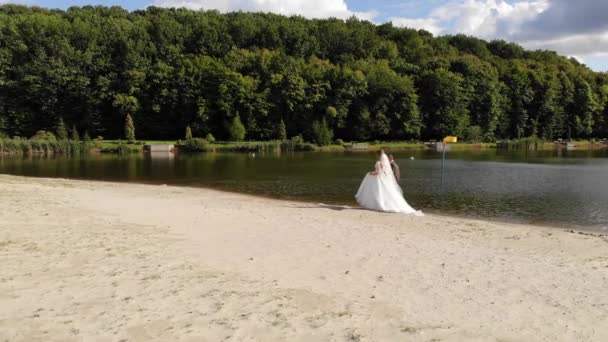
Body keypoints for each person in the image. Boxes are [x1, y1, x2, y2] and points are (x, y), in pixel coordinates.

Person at [355, 150, 423, 215]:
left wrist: (370, 173)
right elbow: (383, 171)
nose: (376, 155)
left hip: (378, 179)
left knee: (379, 193)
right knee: (382, 193)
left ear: (378, 154)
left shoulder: (378, 162)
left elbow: (378, 172)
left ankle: (379, 205)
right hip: (381, 178)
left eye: (376, 154)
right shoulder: (382, 162)